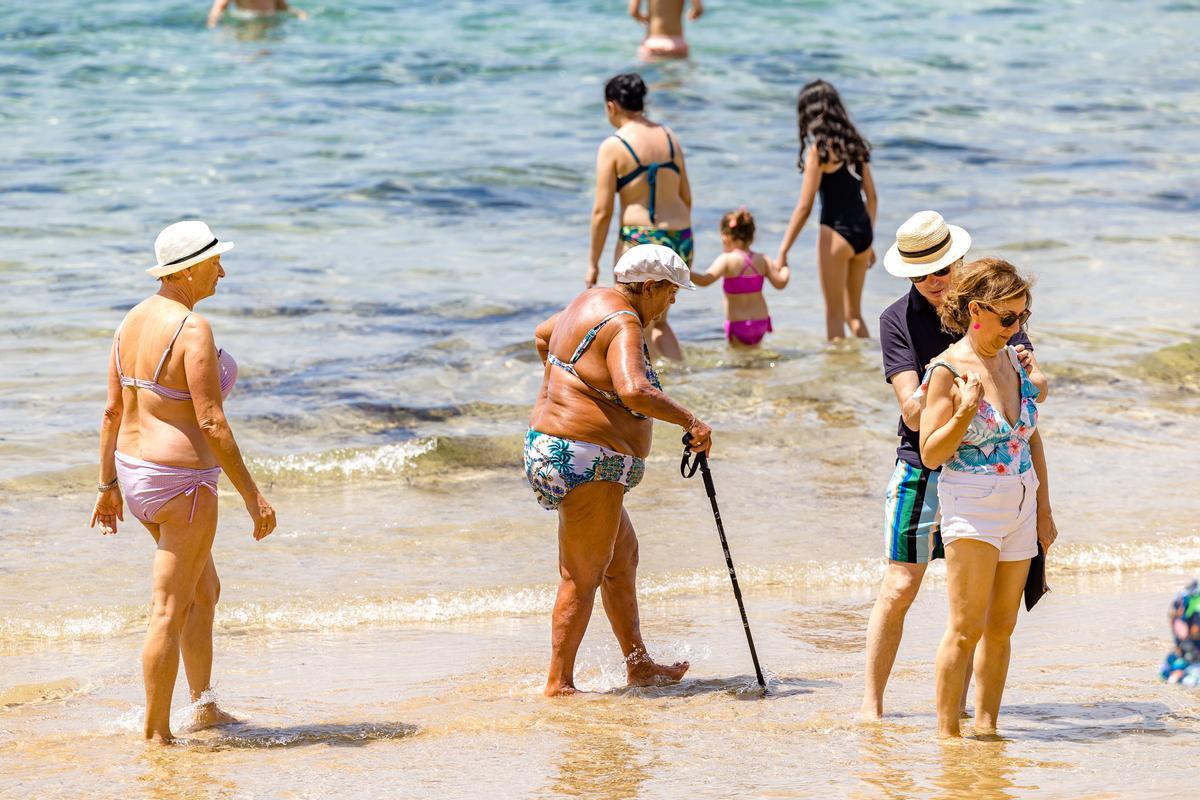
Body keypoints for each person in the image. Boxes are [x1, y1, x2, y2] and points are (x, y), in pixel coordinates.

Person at [89, 221, 277, 743]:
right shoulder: (193, 329)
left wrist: (107, 486)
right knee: (168, 609)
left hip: (136, 476)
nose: (223, 270)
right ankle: (155, 735)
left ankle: (204, 705)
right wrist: (252, 495)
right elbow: (212, 421)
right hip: (183, 484)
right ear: (190, 268)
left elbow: (111, 411)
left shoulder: (129, 321)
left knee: (204, 590)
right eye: (215, 261)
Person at [860, 211, 1049, 722]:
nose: (932, 282)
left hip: (1001, 472)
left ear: (959, 263)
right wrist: (955, 387)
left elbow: (1025, 404)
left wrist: (1020, 378)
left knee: (986, 609)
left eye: (941, 270)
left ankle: (963, 710)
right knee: (901, 585)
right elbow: (913, 412)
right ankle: (872, 705)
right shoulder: (896, 320)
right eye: (920, 274)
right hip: (923, 462)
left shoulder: (1001, 311)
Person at [526, 244, 712, 696]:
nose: (672, 304)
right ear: (648, 287)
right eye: (670, 294)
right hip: (586, 460)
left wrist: (571, 389)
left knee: (621, 558)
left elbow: (543, 336)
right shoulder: (625, 321)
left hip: (567, 453)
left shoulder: (588, 301)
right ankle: (559, 683)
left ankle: (639, 665)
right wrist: (692, 421)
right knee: (581, 575)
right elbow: (635, 390)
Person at [916, 256, 1059, 738]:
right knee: (964, 628)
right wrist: (964, 413)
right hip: (972, 507)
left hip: (1021, 503)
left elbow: (1031, 437)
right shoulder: (947, 370)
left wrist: (1044, 511)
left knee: (1001, 629)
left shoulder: (1015, 359)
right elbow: (931, 453)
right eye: (1008, 318)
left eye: (1022, 316)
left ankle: (988, 729)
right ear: (977, 309)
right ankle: (947, 738)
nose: (1016, 327)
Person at [589, 73, 694, 361]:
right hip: (680, 236)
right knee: (660, 320)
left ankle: (645, 389)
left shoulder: (614, 145)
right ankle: (682, 378)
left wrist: (593, 263)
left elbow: (602, 212)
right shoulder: (670, 136)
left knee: (635, 322)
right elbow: (686, 197)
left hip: (642, 239)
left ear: (612, 107)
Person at [776, 80, 877, 341]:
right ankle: (870, 366)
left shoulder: (819, 151)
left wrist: (784, 249)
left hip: (836, 234)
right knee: (854, 314)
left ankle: (837, 375)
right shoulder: (856, 145)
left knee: (834, 314)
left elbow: (804, 206)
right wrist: (870, 239)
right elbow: (872, 197)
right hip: (863, 233)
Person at [690, 208, 790, 347]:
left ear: (725, 236)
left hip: (738, 324)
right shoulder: (763, 259)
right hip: (760, 322)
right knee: (756, 359)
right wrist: (785, 267)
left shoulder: (726, 260)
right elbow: (781, 283)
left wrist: (683, 272)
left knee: (740, 365)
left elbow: (705, 280)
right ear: (752, 236)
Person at [628, 0, 703, 61]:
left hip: (653, 42)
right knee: (679, 77)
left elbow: (633, 11)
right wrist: (692, 15)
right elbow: (698, 9)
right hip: (677, 43)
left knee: (650, 78)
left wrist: (644, 18)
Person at [207, 0, 307, 27]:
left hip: (271, 24)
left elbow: (285, 9)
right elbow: (217, 10)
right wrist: (212, 24)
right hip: (246, 23)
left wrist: (300, 14)